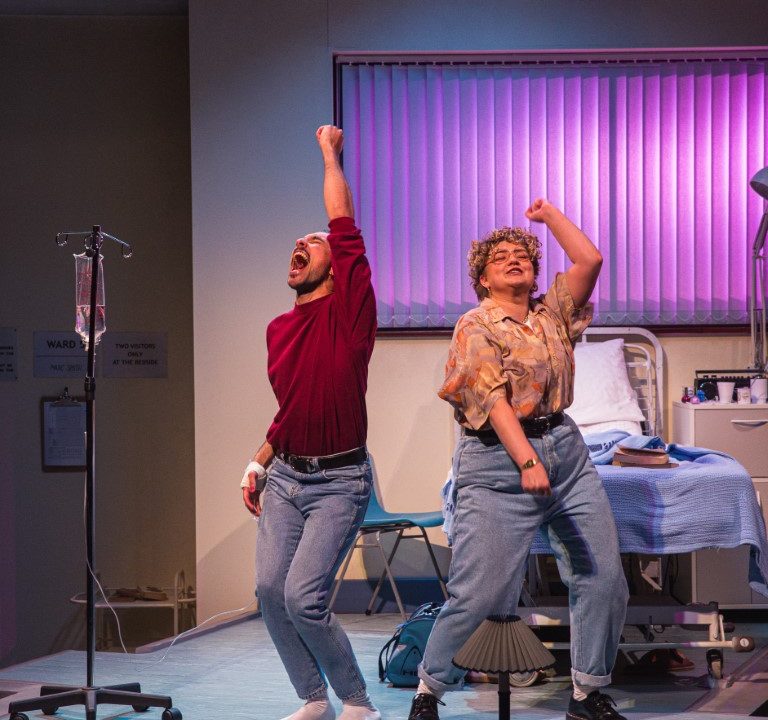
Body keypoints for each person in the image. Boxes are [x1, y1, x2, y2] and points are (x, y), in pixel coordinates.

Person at [407, 199, 629, 720]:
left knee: (603, 577)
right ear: (482, 279)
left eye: (522, 255)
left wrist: (550, 218)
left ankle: (587, 692)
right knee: (477, 592)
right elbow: (491, 398)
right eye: (500, 256)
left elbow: (590, 261)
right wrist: (528, 461)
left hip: (567, 455)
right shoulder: (475, 324)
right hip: (497, 463)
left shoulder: (552, 314)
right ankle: (429, 691)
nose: (513, 259)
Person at [240, 125, 380, 720]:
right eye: (297, 242)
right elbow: (292, 406)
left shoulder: (349, 314)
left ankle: (356, 700)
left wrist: (328, 154)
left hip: (340, 481)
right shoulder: (277, 329)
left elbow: (342, 224)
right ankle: (312, 699)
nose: (302, 243)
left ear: (335, 264)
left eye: (314, 241)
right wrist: (259, 460)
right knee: (271, 593)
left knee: (303, 597)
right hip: (287, 479)